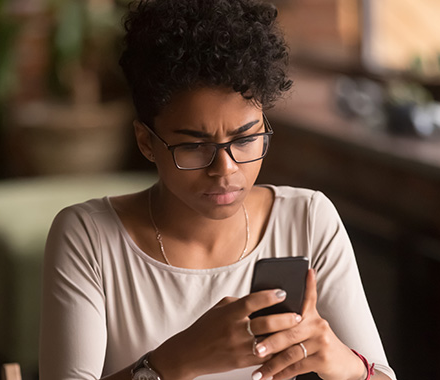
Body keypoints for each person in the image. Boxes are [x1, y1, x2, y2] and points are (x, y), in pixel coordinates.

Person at [39, 0, 397, 379]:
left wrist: (344, 363)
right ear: (146, 142)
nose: (225, 169)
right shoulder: (89, 238)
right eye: (194, 146)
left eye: (245, 140)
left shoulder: (308, 220)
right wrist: (176, 361)